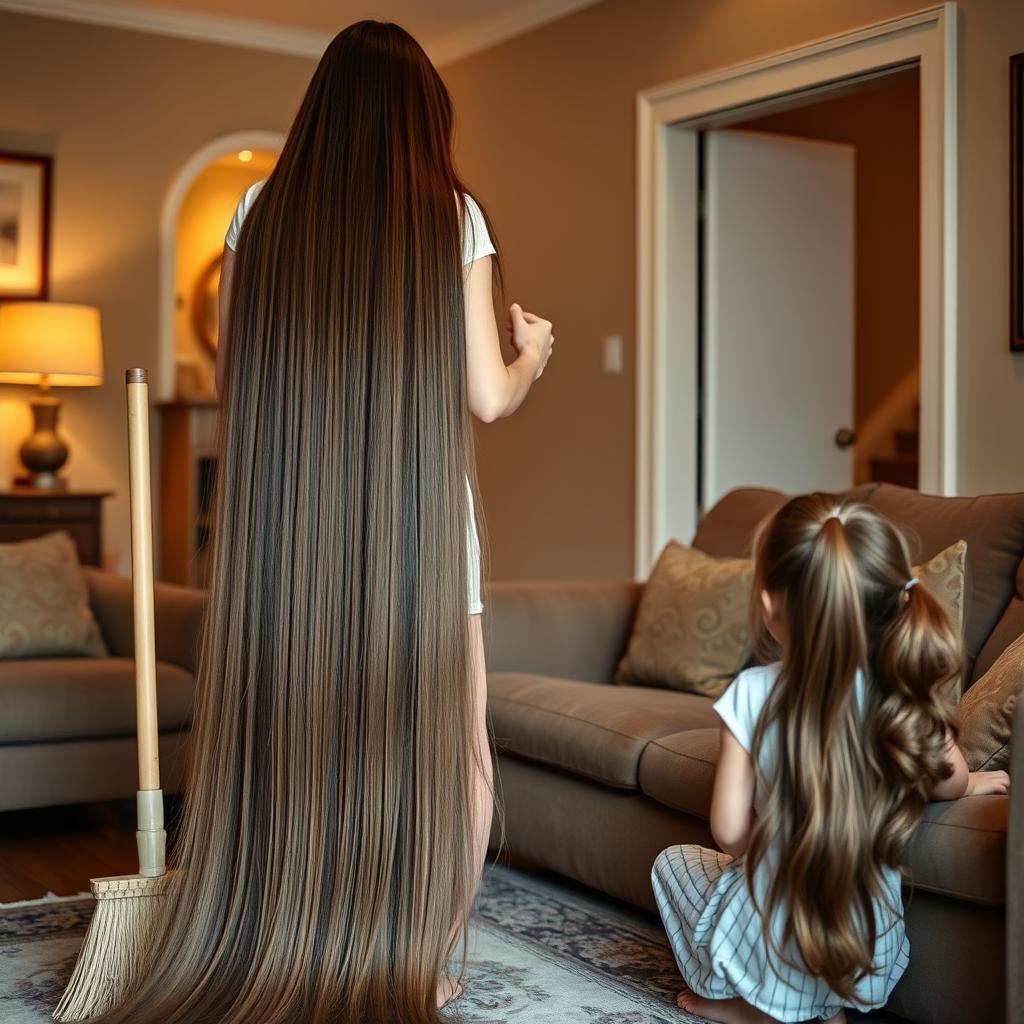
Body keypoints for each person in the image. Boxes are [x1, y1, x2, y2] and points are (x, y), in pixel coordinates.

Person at [93, 20, 553, 1024]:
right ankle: (424, 967)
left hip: (287, 536)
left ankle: (275, 942)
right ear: (422, 121)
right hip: (424, 535)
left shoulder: (260, 210)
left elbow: (236, 379)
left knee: (286, 739)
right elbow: (486, 395)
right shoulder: (453, 214)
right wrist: (534, 353)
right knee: (460, 756)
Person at [652, 494, 1010, 1024]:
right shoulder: (900, 691)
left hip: (773, 937)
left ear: (773, 605)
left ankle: (758, 1011)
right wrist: (974, 784)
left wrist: (782, 855)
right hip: (869, 949)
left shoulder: (752, 692)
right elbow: (948, 780)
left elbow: (729, 831)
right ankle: (823, 1007)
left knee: (673, 865)